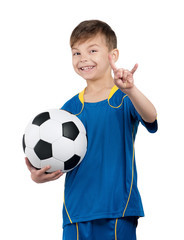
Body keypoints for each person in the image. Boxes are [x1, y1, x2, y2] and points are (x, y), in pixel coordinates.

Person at [25, 20, 158, 240]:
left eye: (92, 50)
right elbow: (58, 157)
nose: (83, 58)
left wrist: (132, 89)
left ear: (113, 55)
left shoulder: (124, 97)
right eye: (76, 53)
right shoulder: (68, 111)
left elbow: (151, 117)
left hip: (118, 209)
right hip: (76, 212)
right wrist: (40, 175)